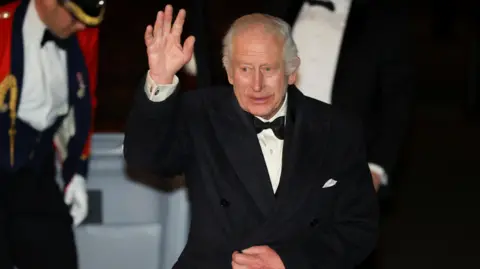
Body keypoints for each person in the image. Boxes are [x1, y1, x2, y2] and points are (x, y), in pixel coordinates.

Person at [124, 4, 378, 268]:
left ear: (292, 71)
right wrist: (161, 78)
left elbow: (358, 229)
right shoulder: (200, 114)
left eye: (268, 69)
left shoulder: (337, 128)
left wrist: (287, 263)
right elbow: (144, 157)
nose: (257, 85)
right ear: (229, 72)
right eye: (245, 69)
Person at [0, 0, 103, 268]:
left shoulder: (84, 35)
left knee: (59, 258)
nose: (83, 25)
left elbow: (84, 102)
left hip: (37, 171)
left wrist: (77, 171)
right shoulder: (3, 27)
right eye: (74, 15)